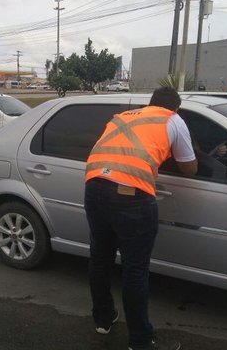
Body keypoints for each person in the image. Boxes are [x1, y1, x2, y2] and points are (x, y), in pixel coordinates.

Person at [84, 87, 198, 350]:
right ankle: (141, 340)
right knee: (135, 270)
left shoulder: (122, 116)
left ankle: (102, 319)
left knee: (100, 259)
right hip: (131, 196)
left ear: (150, 103)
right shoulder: (173, 119)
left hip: (95, 186)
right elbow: (189, 168)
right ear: (175, 108)